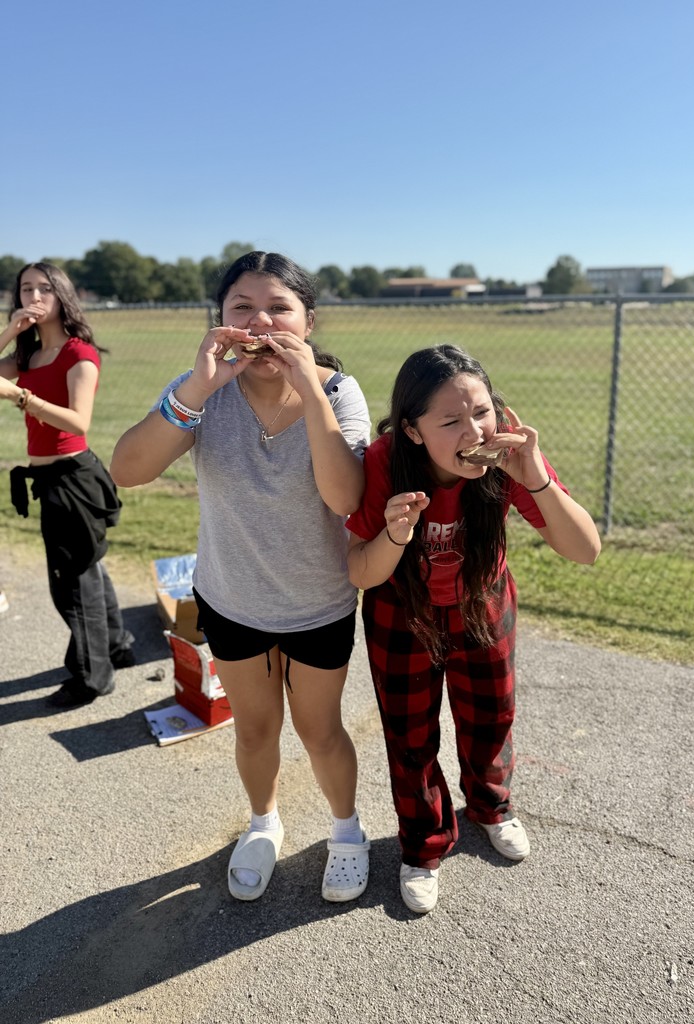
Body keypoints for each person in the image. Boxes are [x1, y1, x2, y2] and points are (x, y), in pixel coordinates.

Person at [110, 251, 372, 904]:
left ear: (308, 321)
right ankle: (263, 824)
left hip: (319, 604)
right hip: (231, 600)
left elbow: (345, 498)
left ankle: (347, 830)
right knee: (255, 731)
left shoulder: (339, 393)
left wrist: (310, 389)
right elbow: (127, 469)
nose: (262, 322)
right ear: (221, 322)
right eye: (242, 309)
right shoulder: (202, 393)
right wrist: (198, 387)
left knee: (320, 731)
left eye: (279, 308)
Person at [346, 344, 601, 913]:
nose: (475, 429)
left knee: (492, 714)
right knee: (410, 736)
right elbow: (360, 571)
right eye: (452, 420)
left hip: (482, 603)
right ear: (413, 431)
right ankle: (423, 843)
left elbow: (585, 549)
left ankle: (491, 806)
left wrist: (534, 478)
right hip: (401, 610)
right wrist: (394, 533)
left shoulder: (508, 455)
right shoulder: (385, 460)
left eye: (482, 411)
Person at [0, 262, 135, 709]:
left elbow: (79, 421)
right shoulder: (29, 355)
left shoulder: (79, 354)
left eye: (44, 288)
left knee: (72, 585)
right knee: (88, 568)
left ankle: (91, 678)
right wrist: (8, 333)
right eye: (25, 289)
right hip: (48, 478)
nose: (34, 297)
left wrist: (21, 396)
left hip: (73, 479)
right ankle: (116, 646)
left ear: (62, 296)